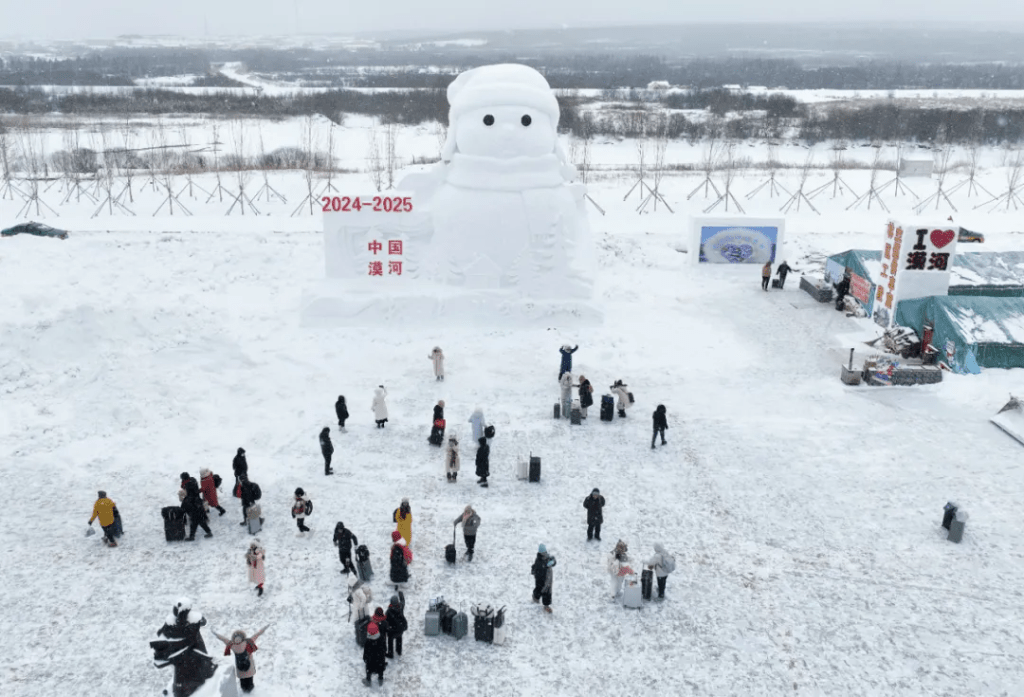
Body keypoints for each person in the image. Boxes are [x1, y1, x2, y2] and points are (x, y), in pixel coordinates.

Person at [212, 626, 268, 693]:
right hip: (249, 668)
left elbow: (224, 639)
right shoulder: (248, 642)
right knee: (250, 684)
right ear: (242, 637)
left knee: (243, 685)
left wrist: (215, 634)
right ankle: (251, 694)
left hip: (240, 670)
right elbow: (257, 634)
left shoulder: (232, 645)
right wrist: (265, 628)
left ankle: (244, 694)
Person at [180, 472, 212, 541]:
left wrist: (184, 504)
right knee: (198, 521)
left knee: (195, 520)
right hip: (198, 504)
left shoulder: (189, 485)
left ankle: (192, 537)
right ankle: (207, 532)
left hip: (194, 505)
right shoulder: (192, 480)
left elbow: (190, 496)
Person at [361, 621, 388, 687]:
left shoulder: (368, 642)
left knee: (368, 670)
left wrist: (365, 658)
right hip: (380, 661)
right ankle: (380, 679)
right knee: (380, 669)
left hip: (370, 662)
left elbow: (366, 652)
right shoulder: (381, 639)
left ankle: (368, 680)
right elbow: (385, 649)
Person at [531, 544, 554, 613]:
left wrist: (552, 562)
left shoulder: (547, 557)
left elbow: (553, 561)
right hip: (543, 579)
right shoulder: (540, 560)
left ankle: (546, 605)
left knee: (546, 592)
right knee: (541, 590)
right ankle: (536, 597)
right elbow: (536, 568)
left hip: (547, 579)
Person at [384, 592, 407, 659]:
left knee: (390, 641)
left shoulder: (389, 611)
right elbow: (403, 601)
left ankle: (390, 654)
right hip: (400, 629)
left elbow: (385, 620)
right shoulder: (401, 606)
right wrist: (401, 595)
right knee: (399, 638)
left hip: (393, 631)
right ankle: (399, 651)